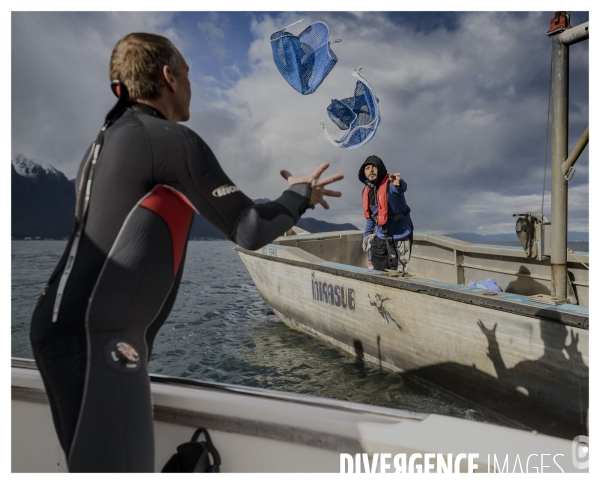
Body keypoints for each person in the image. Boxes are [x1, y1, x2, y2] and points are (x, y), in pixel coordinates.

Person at [29, 32, 343, 473]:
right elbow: (249, 228)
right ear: (168, 76)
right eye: (190, 74)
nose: (192, 85)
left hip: (79, 330)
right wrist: (299, 196)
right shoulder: (169, 140)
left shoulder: (105, 144)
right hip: (98, 340)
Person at [358, 155, 413, 273]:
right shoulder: (368, 192)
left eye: (374, 167)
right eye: (367, 168)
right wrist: (368, 256)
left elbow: (400, 187)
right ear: (364, 172)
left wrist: (399, 183)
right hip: (380, 240)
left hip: (400, 239)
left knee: (398, 279)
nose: (371, 170)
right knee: (379, 275)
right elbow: (370, 221)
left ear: (380, 169)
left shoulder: (391, 184)